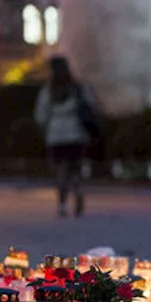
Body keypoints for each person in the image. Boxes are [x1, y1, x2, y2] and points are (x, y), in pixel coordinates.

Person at [35, 56, 100, 217]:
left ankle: (63, 204)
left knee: (61, 170)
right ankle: (78, 191)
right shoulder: (77, 88)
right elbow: (91, 106)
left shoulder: (49, 90)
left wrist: (45, 128)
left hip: (56, 136)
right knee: (75, 168)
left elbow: (41, 114)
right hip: (76, 134)